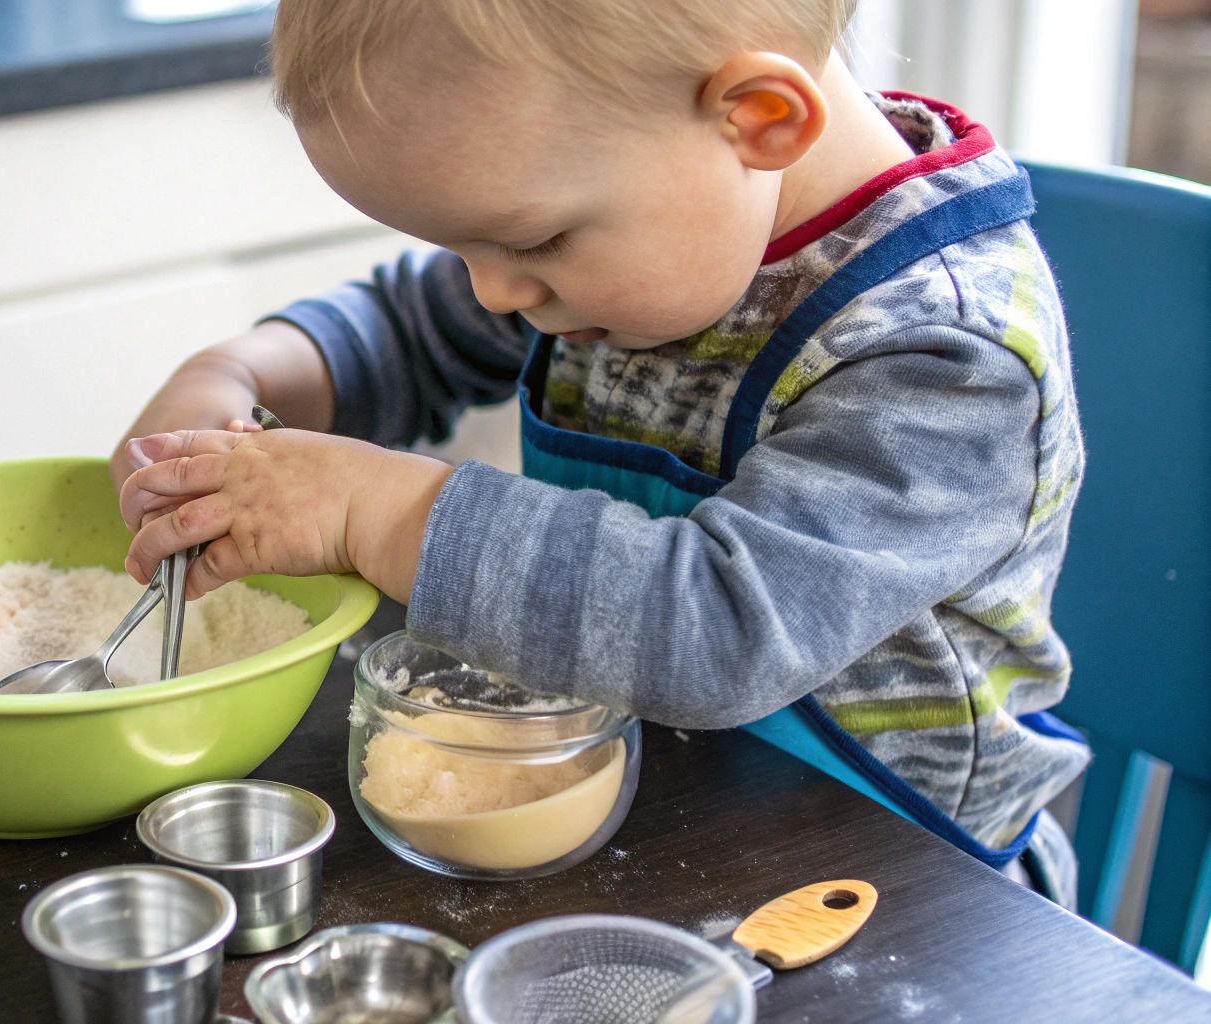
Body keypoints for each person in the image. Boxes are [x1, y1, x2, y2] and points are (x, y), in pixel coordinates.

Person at [112, 0, 1089, 902]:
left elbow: (717, 628)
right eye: (465, 250)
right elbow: (414, 328)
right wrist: (242, 370)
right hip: (661, 812)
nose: (492, 293)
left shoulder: (940, 360)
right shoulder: (623, 233)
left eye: (528, 243)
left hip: (901, 891)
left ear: (757, 120)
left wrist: (372, 510)